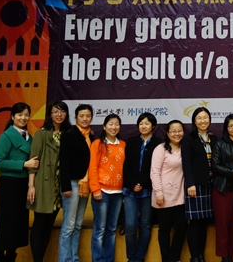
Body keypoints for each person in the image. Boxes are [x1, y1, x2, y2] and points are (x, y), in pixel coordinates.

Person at [0, 102, 39, 262]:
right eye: (20, 115)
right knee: (6, 221)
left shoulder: (30, 137)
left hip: (23, 184)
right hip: (9, 184)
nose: (23, 118)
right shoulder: (6, 136)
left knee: (19, 221)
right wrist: (24, 164)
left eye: (26, 115)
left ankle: (11, 256)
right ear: (13, 116)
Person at [27, 101, 72, 262]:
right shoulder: (42, 134)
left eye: (62, 111)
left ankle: (41, 258)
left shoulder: (68, 133)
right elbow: (33, 161)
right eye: (55, 112)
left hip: (59, 186)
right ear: (50, 114)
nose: (59, 115)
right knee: (39, 223)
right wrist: (31, 186)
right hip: (43, 185)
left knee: (48, 226)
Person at [58, 103, 94, 262]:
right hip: (72, 185)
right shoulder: (69, 134)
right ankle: (64, 259)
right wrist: (65, 186)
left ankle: (74, 258)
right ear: (76, 117)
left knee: (78, 224)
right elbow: (63, 162)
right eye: (82, 116)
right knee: (69, 226)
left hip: (85, 185)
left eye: (88, 116)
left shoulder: (91, 136)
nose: (85, 119)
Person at [122, 112, 160, 262]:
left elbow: (155, 168)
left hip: (148, 190)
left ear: (153, 126)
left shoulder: (158, 144)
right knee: (130, 225)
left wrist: (142, 183)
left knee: (145, 225)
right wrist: (133, 184)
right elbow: (126, 167)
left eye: (147, 123)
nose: (143, 126)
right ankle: (131, 257)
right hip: (130, 190)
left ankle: (139, 258)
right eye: (141, 123)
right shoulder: (131, 142)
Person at [182, 107, 218, 262]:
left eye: (205, 117)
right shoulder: (189, 139)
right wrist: (190, 184)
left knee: (204, 222)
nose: (203, 121)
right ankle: (194, 257)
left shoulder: (214, 138)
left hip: (210, 184)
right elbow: (186, 163)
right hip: (195, 185)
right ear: (194, 121)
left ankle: (201, 256)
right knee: (195, 222)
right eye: (199, 118)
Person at [88, 113, 126, 262]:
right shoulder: (97, 144)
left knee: (111, 229)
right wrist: (95, 189)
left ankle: (109, 259)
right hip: (102, 192)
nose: (113, 127)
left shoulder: (123, 145)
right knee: (100, 229)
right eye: (110, 124)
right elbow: (92, 167)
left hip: (118, 193)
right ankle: (98, 259)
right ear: (104, 126)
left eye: (116, 124)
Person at [151, 120, 188, 262]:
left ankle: (175, 257)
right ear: (167, 133)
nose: (177, 134)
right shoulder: (160, 149)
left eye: (179, 131)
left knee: (181, 228)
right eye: (173, 131)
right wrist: (159, 193)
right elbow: (154, 172)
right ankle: (166, 259)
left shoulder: (186, 148)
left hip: (180, 196)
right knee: (164, 229)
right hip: (163, 196)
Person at [211, 114, 233, 262]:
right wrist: (232, 172)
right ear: (226, 128)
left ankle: (231, 254)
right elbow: (215, 166)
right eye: (231, 126)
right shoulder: (220, 144)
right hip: (222, 189)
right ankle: (224, 257)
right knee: (223, 225)